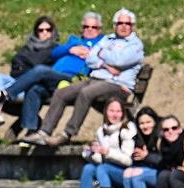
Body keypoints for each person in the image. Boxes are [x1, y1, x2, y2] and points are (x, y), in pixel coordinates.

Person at [22, 8, 144, 146]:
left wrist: (101, 53)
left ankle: (67, 133)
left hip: (117, 84)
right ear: (115, 25)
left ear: (132, 26)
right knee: (61, 93)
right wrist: (105, 65)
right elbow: (90, 58)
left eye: (127, 24)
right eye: (119, 23)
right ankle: (44, 132)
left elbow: (119, 60)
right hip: (96, 79)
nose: (123, 26)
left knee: (86, 93)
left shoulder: (135, 45)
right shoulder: (107, 39)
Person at [0, 12, 104, 140]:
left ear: (99, 29)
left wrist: (90, 54)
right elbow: (55, 52)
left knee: (40, 70)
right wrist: (70, 49)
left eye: (93, 27)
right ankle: (32, 131)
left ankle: (5, 95)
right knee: (35, 89)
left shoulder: (101, 42)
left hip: (71, 79)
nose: (89, 30)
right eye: (86, 27)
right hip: (54, 76)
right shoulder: (74, 40)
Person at [0, 16, 59, 146]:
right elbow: (15, 66)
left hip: (39, 87)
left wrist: (30, 70)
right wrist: (29, 71)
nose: (45, 33)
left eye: (48, 30)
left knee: (34, 80)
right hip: (19, 82)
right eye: (41, 30)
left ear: (53, 31)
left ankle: (2, 110)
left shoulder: (56, 50)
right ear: (36, 32)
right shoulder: (28, 47)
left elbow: (39, 69)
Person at [76, 97, 136, 188]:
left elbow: (128, 161)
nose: (114, 114)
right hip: (106, 168)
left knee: (103, 169)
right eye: (111, 111)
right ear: (106, 112)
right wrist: (91, 152)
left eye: (118, 111)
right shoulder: (101, 131)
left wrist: (107, 152)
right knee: (88, 168)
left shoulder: (127, 128)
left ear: (123, 113)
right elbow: (100, 160)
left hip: (125, 171)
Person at [122, 106, 161, 188]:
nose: (145, 126)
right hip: (146, 168)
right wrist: (135, 156)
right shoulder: (138, 137)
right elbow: (137, 160)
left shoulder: (161, 136)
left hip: (161, 171)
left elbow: (165, 159)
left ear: (155, 122)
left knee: (136, 176)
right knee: (127, 173)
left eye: (148, 122)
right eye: (142, 123)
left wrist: (147, 156)